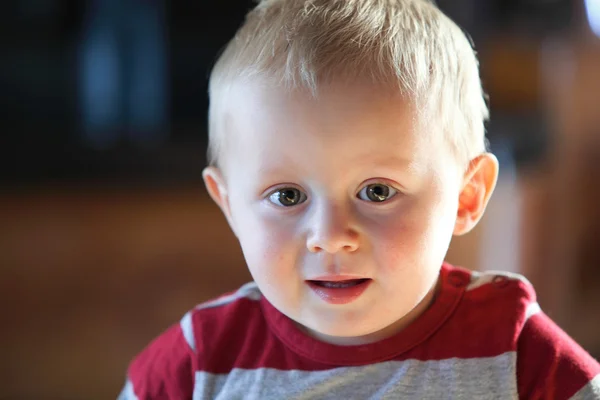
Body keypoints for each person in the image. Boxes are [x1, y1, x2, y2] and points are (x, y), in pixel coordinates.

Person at [118, 0, 600, 398]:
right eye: (287, 196)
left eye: (377, 192)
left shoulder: (513, 351)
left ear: (466, 196)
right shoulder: (202, 361)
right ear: (230, 206)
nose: (329, 238)